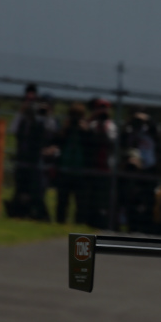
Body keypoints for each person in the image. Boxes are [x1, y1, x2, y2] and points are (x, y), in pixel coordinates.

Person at [6, 84, 56, 219]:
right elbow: (13, 130)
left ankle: (38, 215)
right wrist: (22, 111)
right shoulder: (23, 118)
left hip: (36, 160)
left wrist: (45, 114)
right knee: (21, 188)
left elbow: (50, 130)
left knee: (36, 190)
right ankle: (18, 212)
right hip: (22, 158)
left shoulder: (43, 119)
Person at [48, 102, 91, 224]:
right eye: (73, 115)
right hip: (64, 171)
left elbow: (92, 146)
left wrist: (86, 131)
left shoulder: (86, 132)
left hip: (81, 172)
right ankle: (60, 223)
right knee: (62, 202)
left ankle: (79, 224)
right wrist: (65, 128)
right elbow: (55, 143)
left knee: (81, 204)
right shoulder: (65, 130)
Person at [84, 98, 117, 229]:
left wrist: (103, 128)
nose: (102, 111)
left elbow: (112, 142)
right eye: (100, 108)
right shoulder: (91, 125)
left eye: (105, 108)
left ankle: (103, 224)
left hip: (106, 168)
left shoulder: (112, 126)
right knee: (90, 198)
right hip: (92, 167)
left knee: (104, 199)